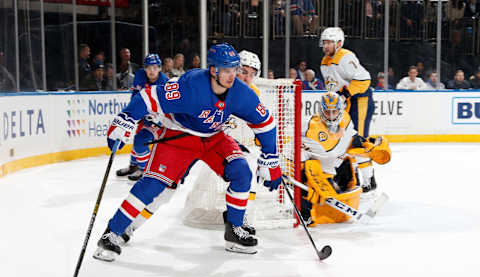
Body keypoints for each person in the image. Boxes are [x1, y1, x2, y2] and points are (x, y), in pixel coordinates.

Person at [93, 43, 282, 261]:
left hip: (213, 137)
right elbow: (148, 97)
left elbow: (266, 124)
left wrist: (270, 158)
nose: (233, 76)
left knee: (242, 171)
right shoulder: (191, 87)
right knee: (154, 185)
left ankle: (234, 231)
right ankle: (112, 232)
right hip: (179, 135)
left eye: (234, 69)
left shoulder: (241, 93)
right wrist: (125, 118)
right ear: (213, 70)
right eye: (227, 70)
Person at [300, 91, 391, 225]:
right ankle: (305, 211)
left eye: (334, 112)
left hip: (331, 170)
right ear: (321, 110)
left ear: (340, 111)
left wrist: (367, 144)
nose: (331, 116)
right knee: (308, 175)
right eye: (327, 112)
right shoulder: (309, 125)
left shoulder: (345, 121)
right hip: (314, 174)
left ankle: (369, 182)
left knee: (354, 155)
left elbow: (352, 137)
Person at [319, 27, 377, 193]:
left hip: (360, 100)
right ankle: (352, 177)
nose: (326, 46)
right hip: (345, 104)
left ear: (338, 43)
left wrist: (345, 94)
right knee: (343, 141)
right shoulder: (324, 62)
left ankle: (369, 179)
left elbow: (364, 80)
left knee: (358, 140)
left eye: (329, 42)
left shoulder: (345, 57)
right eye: (324, 42)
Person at [115, 53, 170, 181]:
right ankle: (134, 166)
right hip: (145, 115)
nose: (152, 71)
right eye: (149, 67)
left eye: (155, 67)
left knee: (141, 140)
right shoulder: (139, 75)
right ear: (144, 68)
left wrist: (158, 117)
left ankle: (144, 169)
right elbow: (135, 94)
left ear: (160, 68)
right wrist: (132, 113)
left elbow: (169, 107)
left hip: (161, 120)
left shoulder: (164, 83)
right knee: (137, 139)